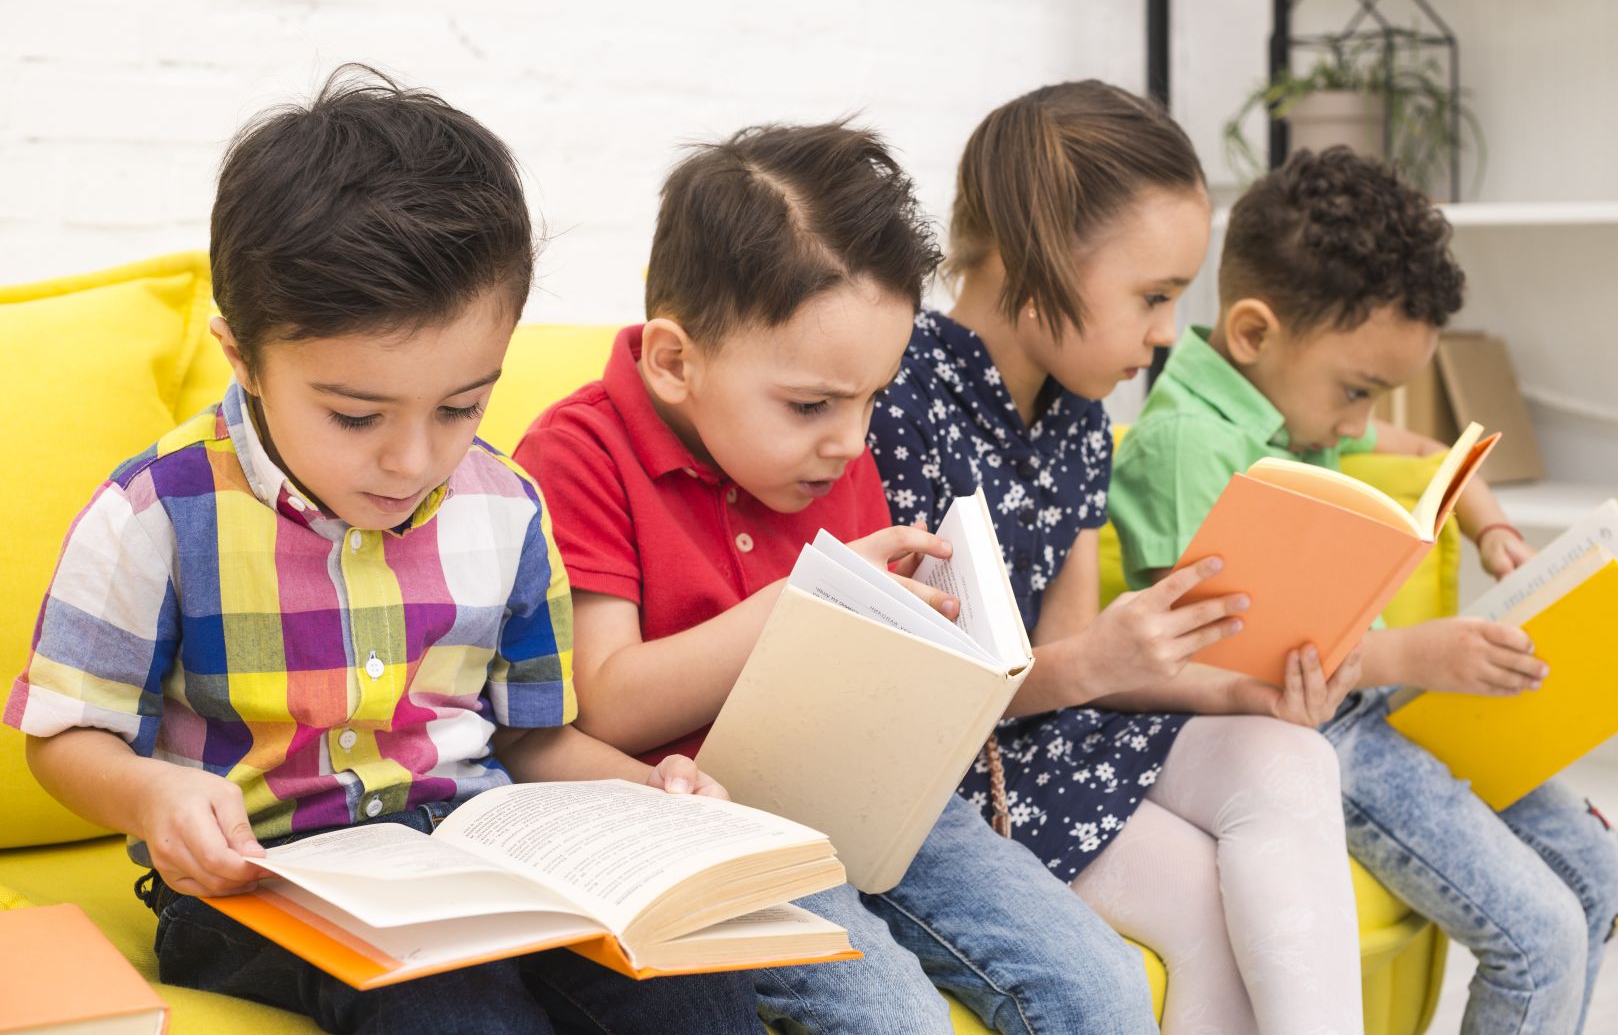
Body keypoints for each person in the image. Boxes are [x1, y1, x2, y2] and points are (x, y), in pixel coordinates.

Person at [4, 66, 761, 1035]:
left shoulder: (507, 508)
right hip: (256, 884)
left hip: (478, 858)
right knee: (449, 1008)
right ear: (244, 359)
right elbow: (64, 736)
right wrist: (154, 794)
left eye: (461, 406)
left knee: (691, 986)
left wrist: (649, 791)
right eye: (357, 416)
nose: (414, 460)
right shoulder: (156, 513)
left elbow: (530, 738)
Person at [517, 121, 1157, 1034]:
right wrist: (797, 608)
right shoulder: (580, 452)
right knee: (893, 1018)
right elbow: (605, 706)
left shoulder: (828, 458)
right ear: (674, 361)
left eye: (874, 398)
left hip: (868, 794)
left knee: (1100, 983)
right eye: (812, 404)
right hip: (702, 819)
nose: (852, 441)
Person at [867, 81, 1365, 1035]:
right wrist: (1097, 660)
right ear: (1036, 254)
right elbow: (911, 699)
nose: (1169, 332)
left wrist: (1245, 692)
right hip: (958, 775)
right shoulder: (893, 396)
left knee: (1291, 754)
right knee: (1204, 910)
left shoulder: (1081, 418)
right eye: (1154, 296)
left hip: (1052, 735)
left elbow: (1070, 661)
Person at [1112, 144, 1618, 1034]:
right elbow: (1227, 657)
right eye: (1357, 391)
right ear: (1254, 334)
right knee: (1540, 938)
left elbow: (1427, 452)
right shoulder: (1188, 443)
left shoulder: (1290, 403)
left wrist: (1492, 526)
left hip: (1372, 705)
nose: (1360, 423)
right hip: (1303, 730)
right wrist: (1418, 654)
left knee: (1599, 872)